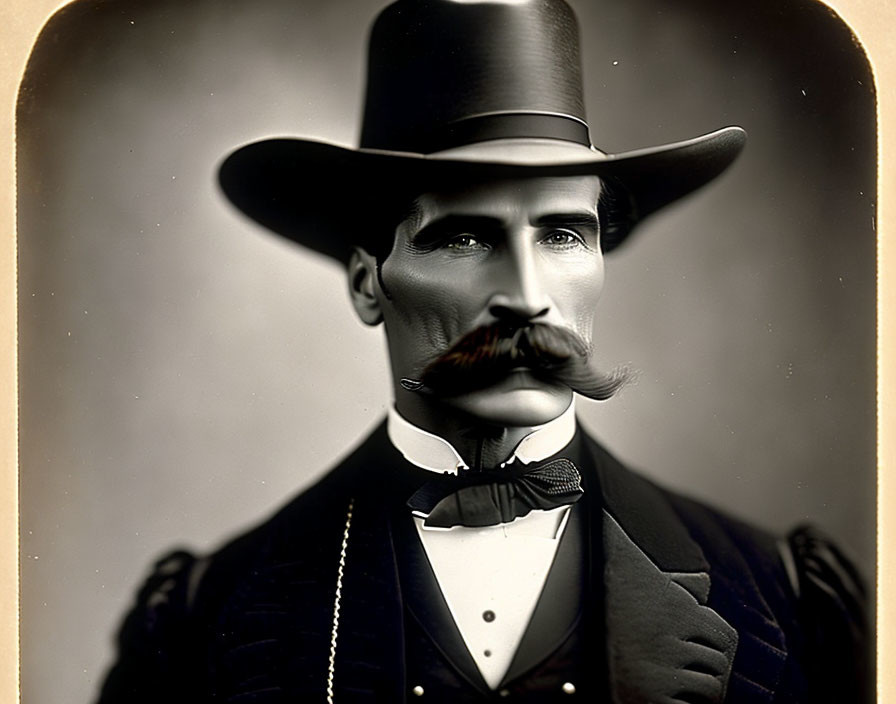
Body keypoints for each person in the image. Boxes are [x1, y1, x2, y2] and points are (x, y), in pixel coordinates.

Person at [97, 0, 868, 702]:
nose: (527, 294)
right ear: (369, 285)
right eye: (465, 236)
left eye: (564, 233)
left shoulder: (778, 591)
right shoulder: (208, 613)